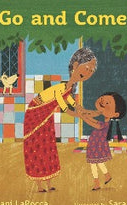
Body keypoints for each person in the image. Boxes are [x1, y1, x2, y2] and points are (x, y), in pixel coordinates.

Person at [23, 48, 98, 192]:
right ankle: (39, 185)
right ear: (75, 66)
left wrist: (87, 112)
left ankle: (49, 183)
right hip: (36, 116)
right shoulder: (60, 88)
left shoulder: (67, 88)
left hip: (47, 117)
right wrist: (82, 115)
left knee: (48, 147)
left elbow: (74, 105)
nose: (88, 73)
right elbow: (66, 109)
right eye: (87, 68)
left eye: (91, 71)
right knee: (36, 149)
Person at [78, 92, 126, 190]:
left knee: (93, 164)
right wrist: (83, 113)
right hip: (94, 145)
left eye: (107, 103)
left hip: (97, 146)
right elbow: (93, 120)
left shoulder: (105, 125)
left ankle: (97, 183)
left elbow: (93, 123)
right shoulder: (103, 122)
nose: (103, 101)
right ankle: (106, 175)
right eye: (104, 99)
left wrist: (83, 116)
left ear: (115, 114)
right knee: (98, 163)